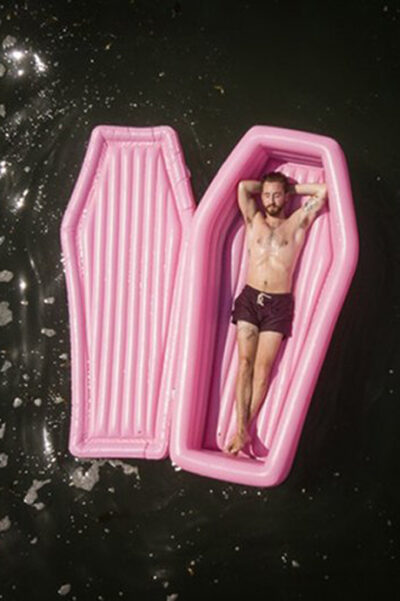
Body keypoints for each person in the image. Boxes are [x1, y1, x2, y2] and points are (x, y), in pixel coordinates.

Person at [225, 171, 328, 455]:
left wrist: (291, 188)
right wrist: (268, 187)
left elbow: (322, 191)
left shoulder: (296, 223)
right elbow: (243, 187)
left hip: (278, 305)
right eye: (267, 195)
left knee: (262, 370)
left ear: (286, 197)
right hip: (250, 298)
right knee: (245, 363)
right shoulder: (254, 220)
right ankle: (242, 429)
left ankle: (243, 429)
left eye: (277, 195)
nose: (271, 200)